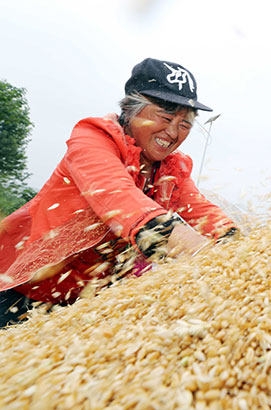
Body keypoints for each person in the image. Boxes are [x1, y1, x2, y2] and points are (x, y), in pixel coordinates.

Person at [0, 58, 238, 327]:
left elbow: (203, 212)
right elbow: (121, 199)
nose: (172, 132)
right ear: (132, 110)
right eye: (166, 117)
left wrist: (238, 245)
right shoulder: (93, 140)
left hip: (83, 307)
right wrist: (203, 254)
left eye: (185, 124)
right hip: (20, 292)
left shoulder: (172, 169)